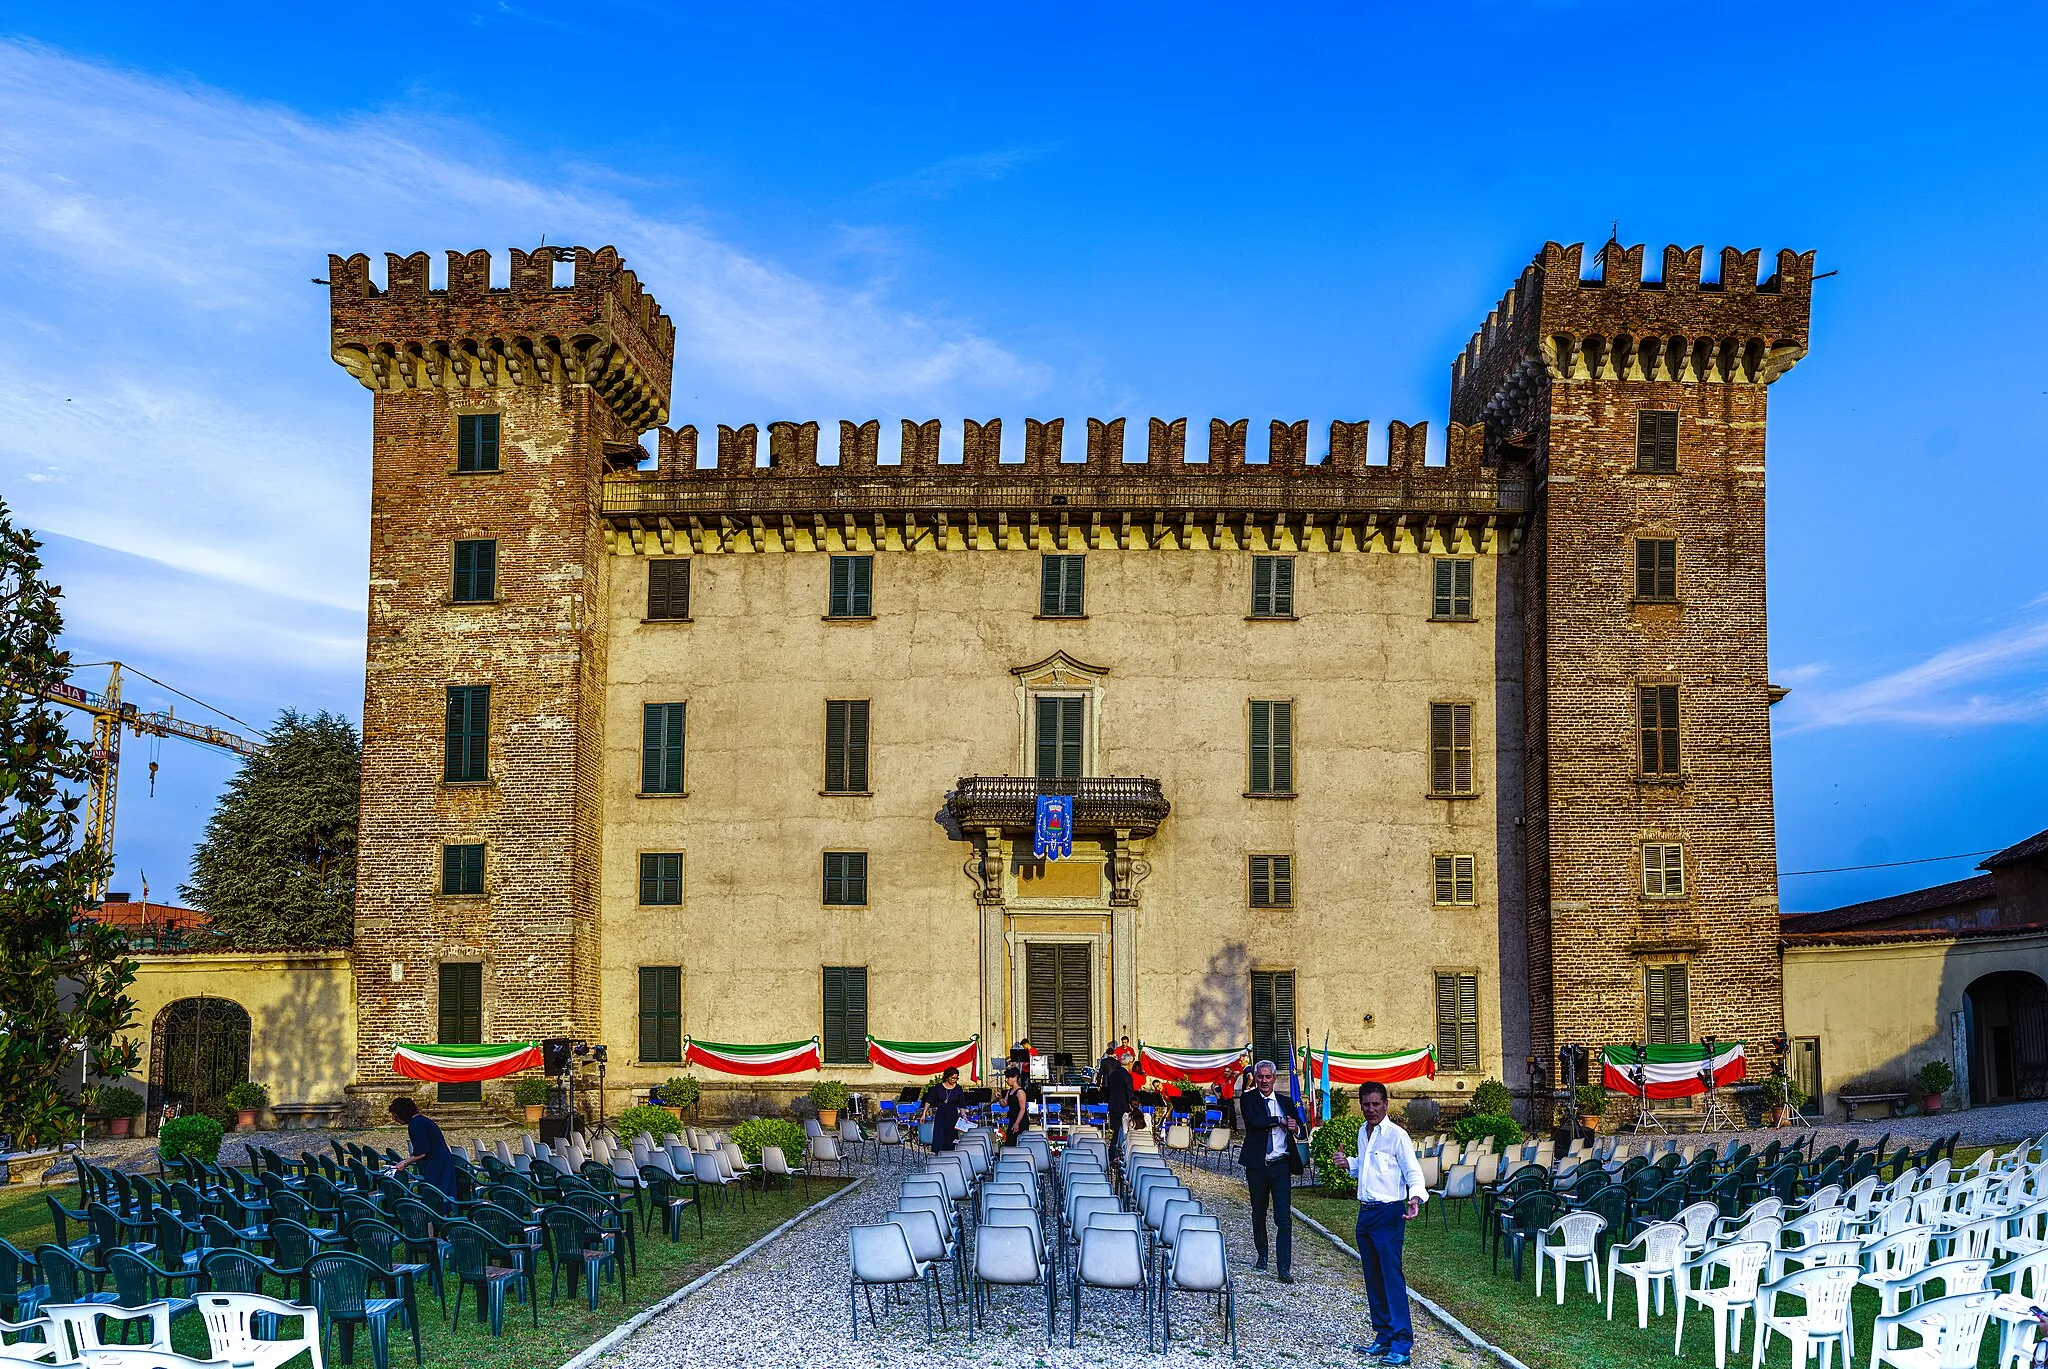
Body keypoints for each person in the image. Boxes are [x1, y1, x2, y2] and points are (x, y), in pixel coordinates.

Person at [1331, 1080, 1428, 1365]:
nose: (1370, 1109)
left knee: (1391, 1278)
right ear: (1360, 1105)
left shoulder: (1397, 1136)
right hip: (1366, 1214)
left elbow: (1413, 1171)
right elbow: (1367, 1163)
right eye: (1365, 1104)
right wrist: (1348, 1163)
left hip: (1389, 1214)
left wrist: (1415, 1198)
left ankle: (1402, 1343)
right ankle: (1383, 1336)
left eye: (1376, 1104)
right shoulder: (1364, 1132)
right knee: (1373, 1278)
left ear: (1386, 1104)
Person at [1237, 1058, 1303, 1281]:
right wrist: (1279, 1120)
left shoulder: (1286, 1101)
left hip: (1281, 1165)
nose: (1264, 1080)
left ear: (1274, 1078)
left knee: (1283, 1218)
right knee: (1259, 1212)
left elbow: (1300, 1129)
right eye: (1260, 1077)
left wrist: (1295, 1127)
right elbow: (1254, 1121)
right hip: (1257, 1166)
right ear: (1255, 1078)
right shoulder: (1248, 1099)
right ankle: (1262, 1255)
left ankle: (1284, 1268)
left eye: (1268, 1077)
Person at [387, 1097, 458, 1196]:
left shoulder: (416, 1124)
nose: (395, 1120)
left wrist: (405, 1162)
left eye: (396, 1116)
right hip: (441, 1159)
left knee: (435, 1194)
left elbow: (422, 1152)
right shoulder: (421, 1121)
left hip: (436, 1162)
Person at [1098, 1044, 1134, 1156]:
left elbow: (1109, 1090)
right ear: (1129, 1063)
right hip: (1123, 1107)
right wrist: (1133, 1105)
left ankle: (1112, 1153)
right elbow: (1129, 1092)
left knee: (1115, 1131)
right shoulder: (1127, 1076)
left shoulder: (1113, 1075)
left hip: (1113, 1105)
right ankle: (1121, 1154)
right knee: (1123, 1132)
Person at [921, 1067, 968, 1152]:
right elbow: (929, 1101)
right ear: (947, 1077)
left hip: (953, 1115)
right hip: (941, 1115)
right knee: (940, 1135)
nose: (954, 1080)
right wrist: (924, 1114)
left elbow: (962, 1105)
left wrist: (964, 1116)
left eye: (956, 1078)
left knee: (951, 1137)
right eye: (953, 1078)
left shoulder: (958, 1089)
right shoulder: (938, 1087)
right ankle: (939, 1154)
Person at [1000, 1065, 1029, 1144]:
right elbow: (1004, 1104)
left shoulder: (1020, 1092)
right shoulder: (1010, 1091)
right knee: (1009, 1142)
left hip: (1020, 1121)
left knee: (1017, 1142)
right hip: (1012, 1119)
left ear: (1015, 1078)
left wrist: (1017, 1123)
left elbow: (1022, 1109)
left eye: (1008, 1078)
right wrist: (1000, 1098)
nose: (1006, 1080)